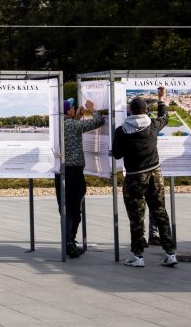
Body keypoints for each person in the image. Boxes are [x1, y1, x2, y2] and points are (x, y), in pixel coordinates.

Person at [113, 87, 177, 267]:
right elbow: (165, 118)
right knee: (160, 212)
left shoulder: (121, 131)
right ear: (145, 111)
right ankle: (170, 253)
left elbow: (117, 155)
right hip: (155, 174)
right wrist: (161, 99)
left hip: (134, 177)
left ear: (130, 111)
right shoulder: (152, 125)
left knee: (136, 216)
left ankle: (138, 256)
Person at [55, 97, 105, 258]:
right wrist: (91, 109)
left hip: (60, 172)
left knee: (65, 208)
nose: (74, 107)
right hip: (74, 172)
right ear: (67, 110)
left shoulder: (58, 124)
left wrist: (77, 117)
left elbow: (72, 129)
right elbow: (98, 122)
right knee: (75, 209)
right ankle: (70, 243)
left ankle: (68, 240)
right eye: (72, 107)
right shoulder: (70, 124)